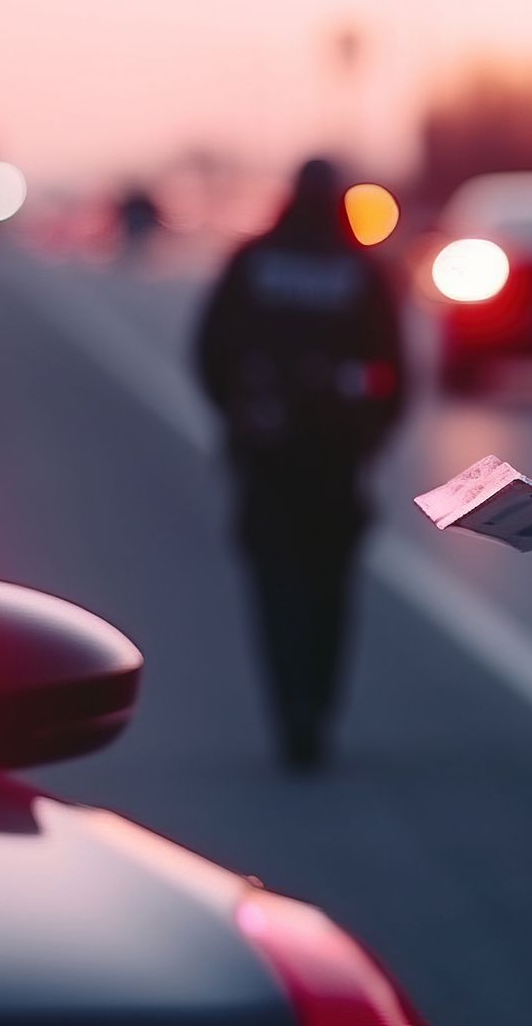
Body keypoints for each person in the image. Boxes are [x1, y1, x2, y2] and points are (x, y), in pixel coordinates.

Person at [195, 157, 407, 771]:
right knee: (330, 591)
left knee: (274, 590)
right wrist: (366, 436)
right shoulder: (361, 272)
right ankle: (318, 708)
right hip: (336, 465)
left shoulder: (251, 263)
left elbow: (209, 349)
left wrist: (239, 414)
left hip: (265, 461)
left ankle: (290, 714)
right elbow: (396, 370)